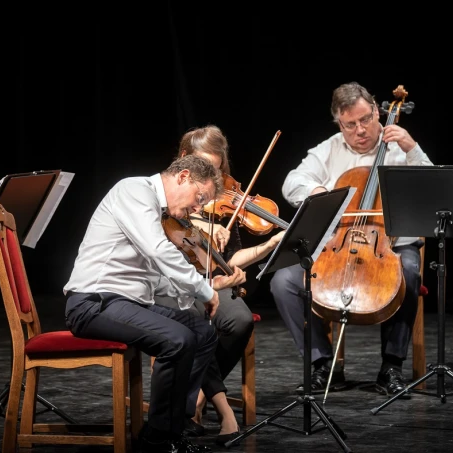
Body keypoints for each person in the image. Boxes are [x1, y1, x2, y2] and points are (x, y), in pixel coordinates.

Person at [64, 154, 246, 453]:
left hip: (127, 303)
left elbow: (153, 279)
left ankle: (175, 425)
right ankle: (157, 439)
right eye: (200, 197)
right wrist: (203, 290)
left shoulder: (157, 211)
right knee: (178, 340)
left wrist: (207, 287)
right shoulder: (134, 190)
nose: (198, 208)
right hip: (93, 303)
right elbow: (159, 251)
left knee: (203, 334)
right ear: (183, 176)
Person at [270, 81, 433, 397]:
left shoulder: (400, 147)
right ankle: (322, 365)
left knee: (409, 273)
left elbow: (431, 186)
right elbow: (292, 182)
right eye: (350, 125)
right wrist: (318, 191)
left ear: (376, 111)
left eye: (365, 119)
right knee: (284, 282)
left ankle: (391, 367)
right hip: (338, 246)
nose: (360, 130)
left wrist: (412, 147)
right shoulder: (329, 149)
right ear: (339, 124)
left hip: (392, 246)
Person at [154, 125, 285, 445]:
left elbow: (230, 258)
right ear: (183, 159)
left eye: (215, 169)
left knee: (239, 319)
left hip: (213, 280)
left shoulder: (222, 198)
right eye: (202, 166)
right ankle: (220, 405)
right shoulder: (165, 191)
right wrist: (200, 228)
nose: (209, 178)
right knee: (198, 320)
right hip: (171, 285)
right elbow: (167, 233)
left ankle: (198, 395)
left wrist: (268, 246)